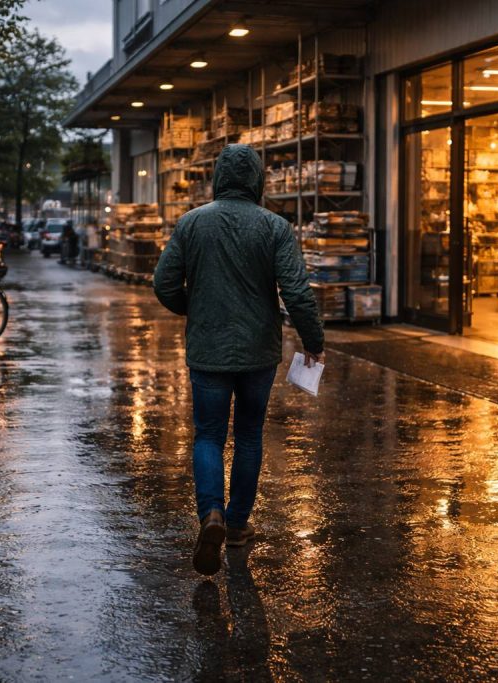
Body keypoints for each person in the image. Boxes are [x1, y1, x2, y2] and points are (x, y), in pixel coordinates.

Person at [153, 144, 325, 576]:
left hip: (208, 350)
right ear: (257, 179)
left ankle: (210, 513)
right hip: (257, 352)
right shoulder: (275, 227)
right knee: (248, 436)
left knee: (208, 435)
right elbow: (297, 292)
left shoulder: (192, 223)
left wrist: (194, 309)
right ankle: (235, 525)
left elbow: (163, 283)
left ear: (217, 178)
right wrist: (313, 340)